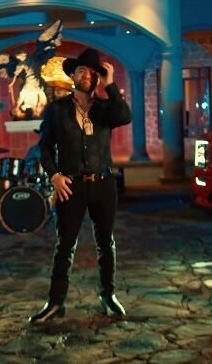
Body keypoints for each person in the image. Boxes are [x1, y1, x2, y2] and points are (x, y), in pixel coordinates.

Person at [28, 47, 132, 323]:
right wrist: (54, 175)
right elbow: (44, 147)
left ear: (98, 77)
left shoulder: (106, 109)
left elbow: (125, 116)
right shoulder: (57, 110)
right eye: (81, 71)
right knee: (65, 245)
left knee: (105, 243)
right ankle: (56, 302)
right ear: (73, 76)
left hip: (103, 183)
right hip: (70, 186)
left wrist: (111, 85)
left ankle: (108, 295)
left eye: (92, 72)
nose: (87, 75)